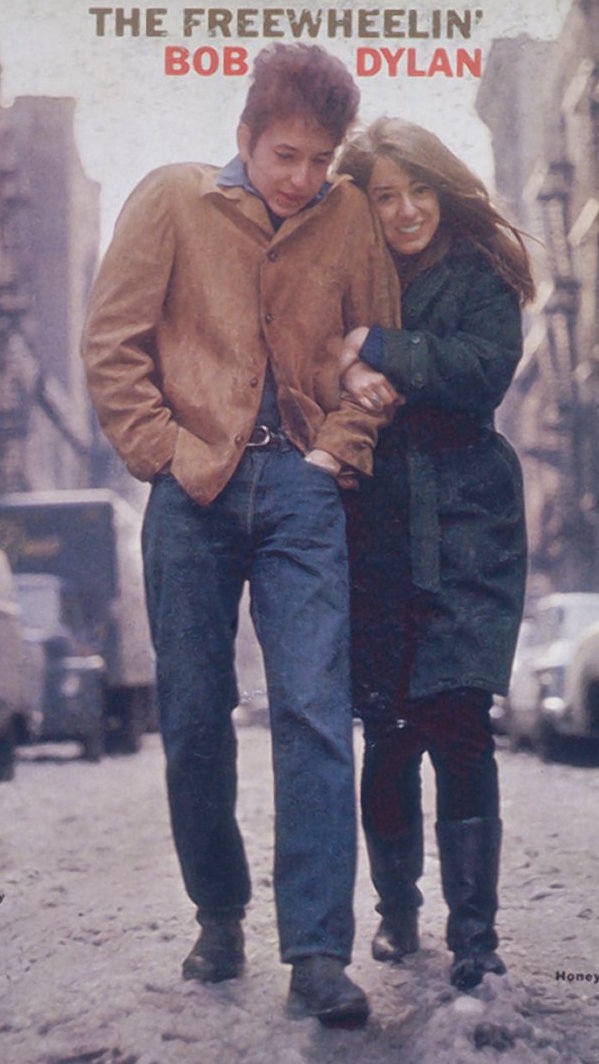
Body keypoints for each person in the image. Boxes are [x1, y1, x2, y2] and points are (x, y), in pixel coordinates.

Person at [81, 45, 399, 1027]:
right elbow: (112, 344)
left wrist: (336, 451)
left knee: (312, 706)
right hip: (194, 492)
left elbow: (372, 352)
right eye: (285, 155)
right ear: (246, 138)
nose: (301, 177)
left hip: (303, 490)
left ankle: (315, 953)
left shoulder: (345, 219)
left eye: (319, 159)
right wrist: (165, 450)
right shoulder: (172, 201)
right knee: (190, 715)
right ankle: (218, 910)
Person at [335, 117, 535, 991]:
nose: (405, 210)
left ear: (442, 192)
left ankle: (476, 938)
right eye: (385, 195)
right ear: (364, 204)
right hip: (375, 527)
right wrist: (341, 365)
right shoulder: (348, 273)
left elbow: (482, 369)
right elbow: (306, 349)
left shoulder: (480, 275)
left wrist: (377, 349)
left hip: (466, 526)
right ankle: (396, 913)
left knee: (459, 725)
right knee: (386, 731)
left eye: (418, 190)